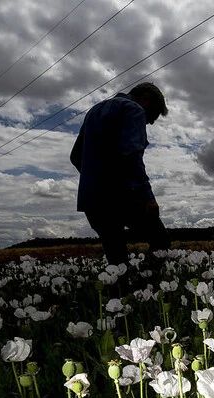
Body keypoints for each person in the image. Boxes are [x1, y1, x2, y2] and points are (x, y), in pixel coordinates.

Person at [70, 82, 171, 268]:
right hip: (120, 196)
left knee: (116, 260)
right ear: (145, 98)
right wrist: (148, 197)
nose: (151, 121)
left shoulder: (94, 111)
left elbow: (75, 156)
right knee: (161, 241)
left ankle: (122, 292)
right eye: (154, 114)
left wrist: (95, 178)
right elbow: (132, 155)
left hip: (92, 199)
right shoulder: (133, 109)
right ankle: (146, 286)